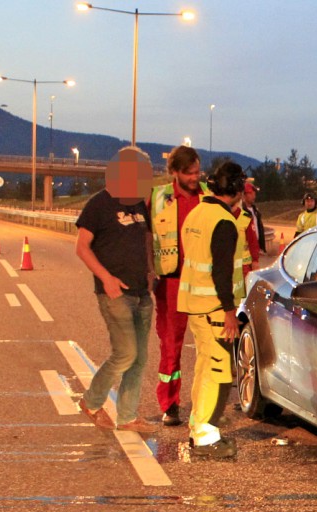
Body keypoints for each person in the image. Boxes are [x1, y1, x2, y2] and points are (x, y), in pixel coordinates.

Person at [75, 147, 159, 434]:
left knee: (140, 358)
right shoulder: (99, 204)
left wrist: (149, 268)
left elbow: (145, 238)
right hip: (115, 293)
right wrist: (106, 279)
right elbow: (81, 247)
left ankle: (127, 416)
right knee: (125, 354)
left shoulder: (137, 204)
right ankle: (91, 401)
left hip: (141, 292)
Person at [178, 160, 253, 459]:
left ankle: (197, 424)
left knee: (202, 368)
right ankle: (206, 437)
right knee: (217, 373)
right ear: (235, 189)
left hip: (196, 305)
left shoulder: (196, 214)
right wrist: (229, 312)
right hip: (213, 309)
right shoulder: (224, 223)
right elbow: (221, 272)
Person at [149, 145, 208, 427]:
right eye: (190, 172)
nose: (196, 177)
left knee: (209, 345)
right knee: (171, 346)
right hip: (170, 282)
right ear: (175, 172)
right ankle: (170, 404)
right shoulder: (158, 198)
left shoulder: (210, 197)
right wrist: (148, 271)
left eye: (198, 171)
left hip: (203, 282)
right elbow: (145, 236)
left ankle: (206, 405)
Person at [241, 180, 265, 272]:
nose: (254, 196)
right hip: (246, 254)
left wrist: (261, 247)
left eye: (254, 193)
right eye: (251, 193)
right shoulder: (242, 212)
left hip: (255, 248)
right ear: (244, 195)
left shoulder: (255, 211)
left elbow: (259, 229)